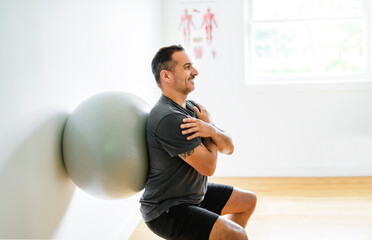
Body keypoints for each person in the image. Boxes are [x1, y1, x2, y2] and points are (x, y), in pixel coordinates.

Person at [140, 45, 256, 240]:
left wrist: (210, 128)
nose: (195, 72)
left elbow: (229, 147)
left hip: (193, 194)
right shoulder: (168, 118)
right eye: (187, 67)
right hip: (168, 209)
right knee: (237, 235)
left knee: (248, 201)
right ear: (166, 76)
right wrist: (210, 130)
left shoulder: (192, 108)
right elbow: (208, 167)